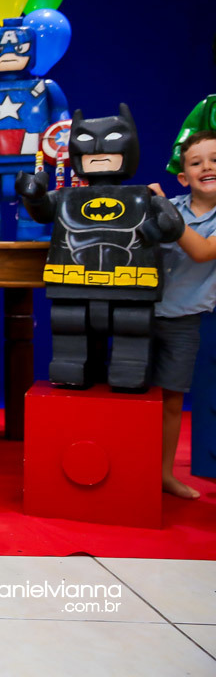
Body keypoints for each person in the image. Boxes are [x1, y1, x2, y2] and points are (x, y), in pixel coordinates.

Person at [149, 130, 216, 500]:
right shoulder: (169, 205)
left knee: (171, 400)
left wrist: (167, 214)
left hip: (185, 320)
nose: (207, 167)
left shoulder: (169, 210)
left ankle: (163, 475)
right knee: (130, 392)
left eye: (215, 160)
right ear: (183, 176)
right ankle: (131, 470)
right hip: (140, 315)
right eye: (196, 162)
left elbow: (203, 251)